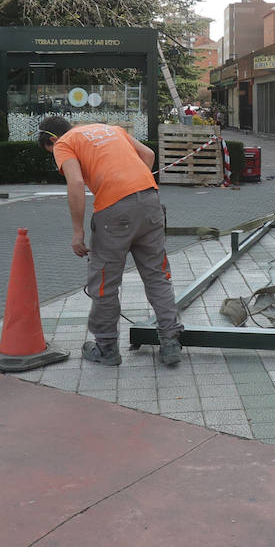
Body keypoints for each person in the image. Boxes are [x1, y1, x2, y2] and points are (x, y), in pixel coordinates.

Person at [37, 116, 184, 367]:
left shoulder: (64, 143)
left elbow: (75, 183)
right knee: (157, 275)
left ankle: (106, 349)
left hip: (114, 213)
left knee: (104, 282)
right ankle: (170, 342)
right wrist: (133, 188)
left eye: (50, 152)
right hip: (150, 202)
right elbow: (148, 155)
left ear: (52, 139)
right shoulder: (110, 129)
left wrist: (77, 233)